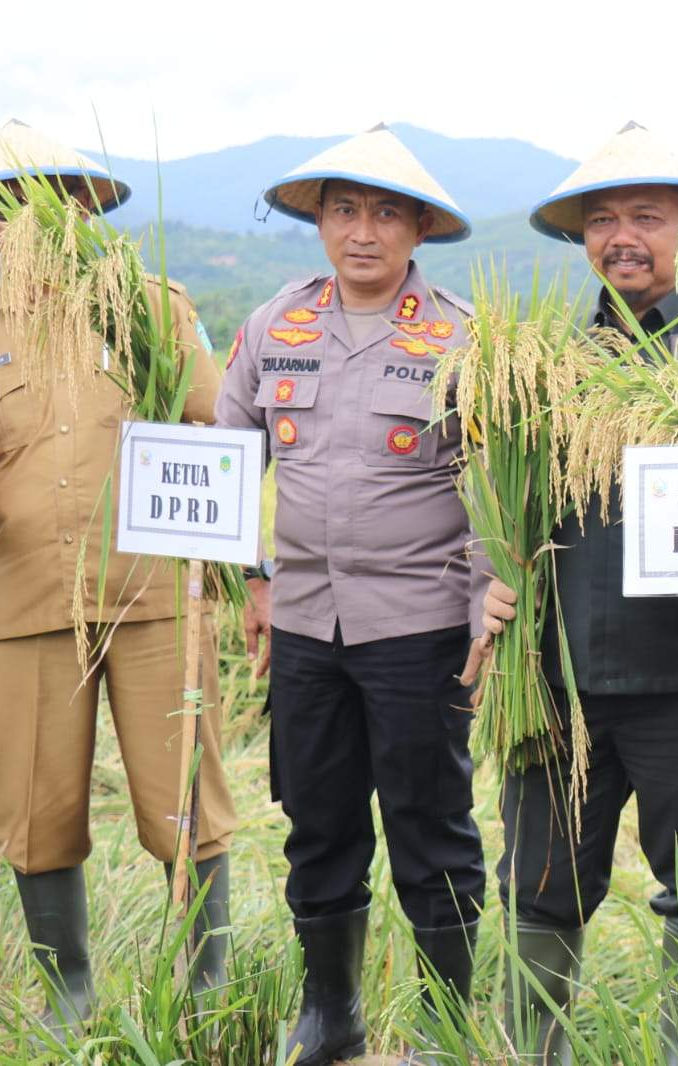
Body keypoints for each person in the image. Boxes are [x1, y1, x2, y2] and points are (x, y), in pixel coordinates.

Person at [469, 121, 678, 1062]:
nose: (624, 236)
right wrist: (490, 584)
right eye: (602, 219)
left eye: (648, 216)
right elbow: (498, 505)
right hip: (559, 675)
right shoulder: (545, 359)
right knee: (537, 882)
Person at [218, 124, 484, 1066]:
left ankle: (450, 1028)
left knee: (429, 825)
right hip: (303, 628)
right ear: (320, 223)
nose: (361, 231)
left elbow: (496, 486)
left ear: (417, 230)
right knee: (317, 821)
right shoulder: (274, 325)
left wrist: (492, 603)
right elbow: (220, 462)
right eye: (343, 210)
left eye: (383, 213)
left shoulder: (460, 336)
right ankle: (330, 1015)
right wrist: (247, 577)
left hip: (418, 625)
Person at [0, 118, 235, 1031]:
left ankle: (206, 997)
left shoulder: (150, 306)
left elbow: (218, 432)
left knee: (183, 799)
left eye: (54, 200)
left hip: (152, 597)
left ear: (89, 209)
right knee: (35, 806)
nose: (32, 221)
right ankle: (68, 1004)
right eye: (10, 204)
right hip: (22, 601)